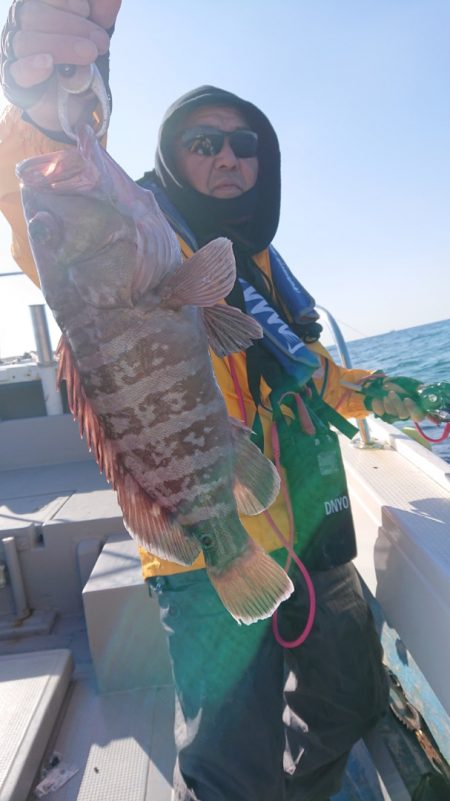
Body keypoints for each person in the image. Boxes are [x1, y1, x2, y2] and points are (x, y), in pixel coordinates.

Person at [0, 3, 425, 799]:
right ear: (169, 155)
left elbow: (310, 370)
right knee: (233, 771)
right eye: (205, 142)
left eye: (245, 144)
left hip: (307, 524)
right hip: (202, 553)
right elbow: (42, 217)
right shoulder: (137, 228)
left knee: (346, 704)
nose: (228, 157)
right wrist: (39, 93)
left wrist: (384, 391)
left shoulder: (263, 261)